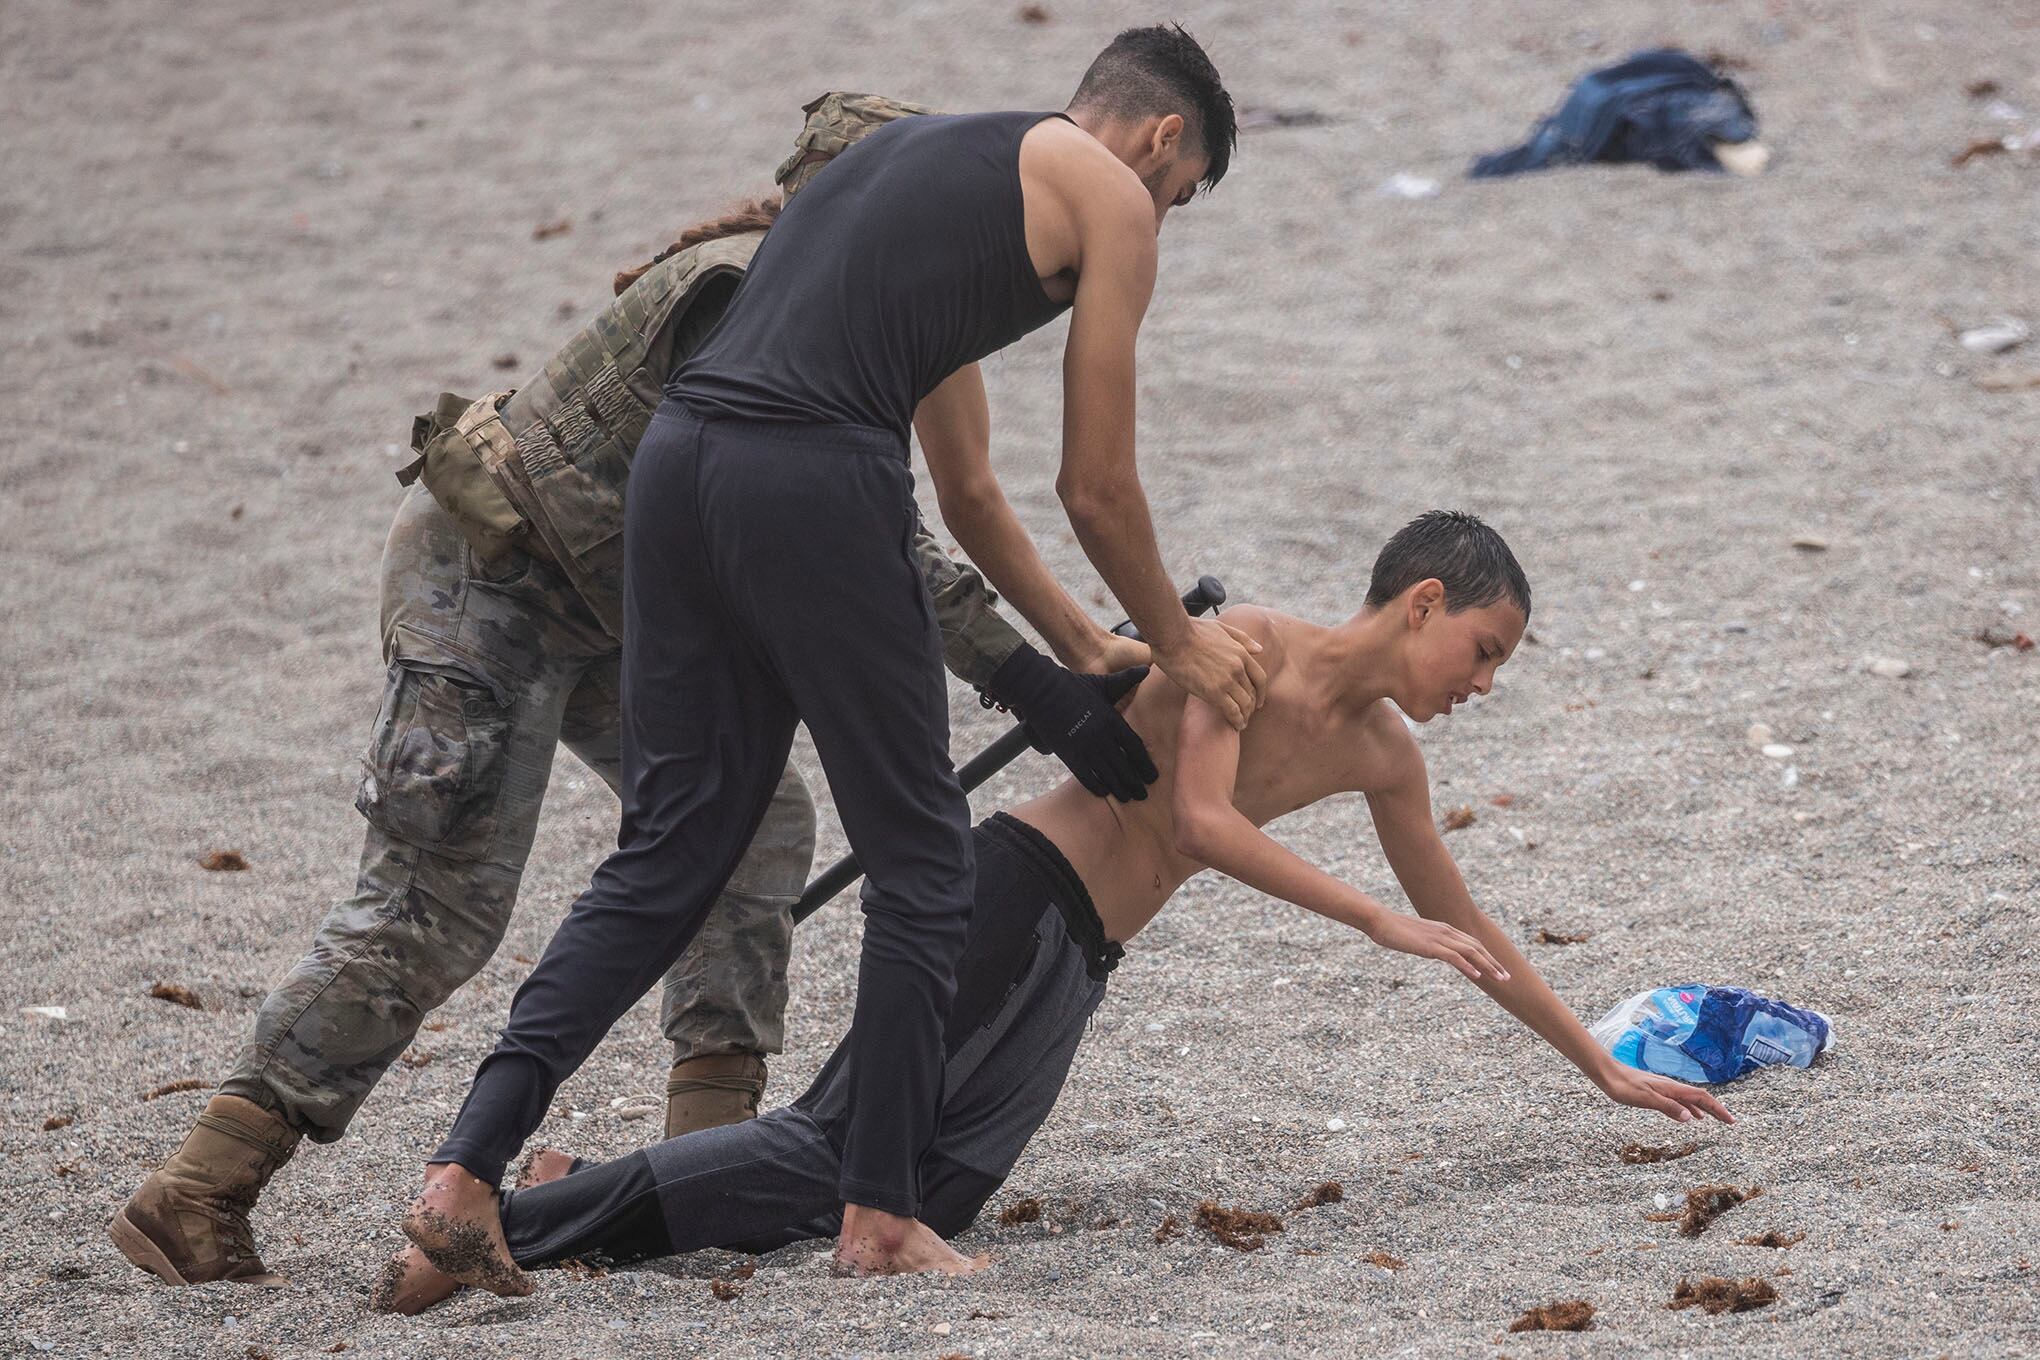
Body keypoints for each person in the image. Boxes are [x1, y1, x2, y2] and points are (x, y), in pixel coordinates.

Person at [107, 95, 1154, 1291]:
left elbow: (902, 517)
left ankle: (696, 1171)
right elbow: (867, 545)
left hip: (630, 585)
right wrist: (1035, 680)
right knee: (442, 899)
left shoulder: (846, 298)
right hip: (493, 578)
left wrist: (1057, 657)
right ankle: (204, 1180)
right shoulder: (739, 302)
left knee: (750, 837)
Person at [371, 510, 1735, 1312]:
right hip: (1013, 892)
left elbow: (1473, 926)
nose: (1482, 681)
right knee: (853, 1158)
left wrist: (1601, 1069)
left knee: (941, 1185)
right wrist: (1375, 923)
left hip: (1082, 958)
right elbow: (1202, 820)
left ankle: (576, 1191)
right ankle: (513, 1220)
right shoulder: (1246, 643)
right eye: (1482, 650)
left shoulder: (1388, 756)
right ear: (1422, 601)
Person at [404, 24, 1265, 1293]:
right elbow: (1094, 484)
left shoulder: (928, 165)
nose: (1162, 219)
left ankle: (464, 1175)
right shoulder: (1109, 199)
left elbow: (970, 491)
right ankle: (878, 1211)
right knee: (923, 865)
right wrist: (1184, 644)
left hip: (680, 467)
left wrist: (1088, 644)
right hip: (811, 477)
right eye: (1178, 198)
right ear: (1160, 137)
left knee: (673, 849)